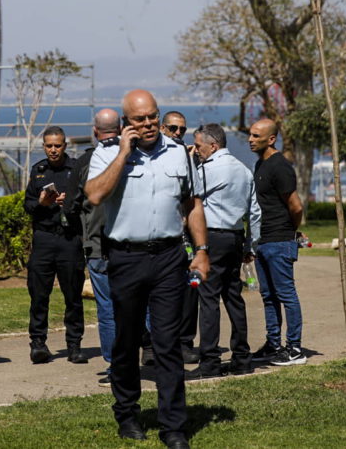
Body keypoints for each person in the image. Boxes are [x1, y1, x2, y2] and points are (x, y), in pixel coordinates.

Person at [86, 89, 209, 449]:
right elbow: (94, 195)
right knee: (126, 340)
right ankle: (127, 413)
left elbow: (192, 203)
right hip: (126, 258)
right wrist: (124, 153)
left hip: (170, 256)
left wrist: (201, 250)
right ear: (126, 123)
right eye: (139, 119)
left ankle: (173, 426)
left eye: (152, 116)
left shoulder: (178, 155)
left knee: (168, 343)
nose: (149, 124)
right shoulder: (107, 153)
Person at [188, 123, 260, 379]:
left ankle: (210, 361)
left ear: (213, 145)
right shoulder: (244, 170)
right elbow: (254, 212)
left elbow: (190, 195)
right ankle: (242, 357)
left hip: (213, 236)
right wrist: (250, 244)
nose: (196, 150)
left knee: (208, 299)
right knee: (233, 297)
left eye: (198, 145)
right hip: (235, 236)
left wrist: (188, 163)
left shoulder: (208, 169)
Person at [64, 108, 121, 384]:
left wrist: (84, 229)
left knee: (107, 307)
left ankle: (114, 364)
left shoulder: (87, 161)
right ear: (120, 129)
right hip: (133, 245)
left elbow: (70, 207)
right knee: (143, 302)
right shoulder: (134, 157)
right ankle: (149, 352)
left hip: (98, 245)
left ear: (95, 132)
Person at [23, 126, 86, 364]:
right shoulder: (38, 171)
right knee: (39, 295)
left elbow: (89, 201)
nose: (53, 150)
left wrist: (68, 202)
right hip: (44, 238)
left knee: (73, 295)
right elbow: (27, 206)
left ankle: (74, 345)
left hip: (69, 238)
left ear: (65, 146)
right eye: (48, 145)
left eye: (57, 145)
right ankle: (38, 344)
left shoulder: (77, 169)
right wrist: (41, 202)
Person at [247, 118, 306, 367]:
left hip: (279, 240)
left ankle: (294, 349)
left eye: (256, 136)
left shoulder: (280, 166)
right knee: (268, 296)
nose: (250, 139)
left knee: (286, 295)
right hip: (263, 240)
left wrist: (290, 231)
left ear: (271, 139)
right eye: (250, 134)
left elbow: (296, 206)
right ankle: (273, 344)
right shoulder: (261, 164)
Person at [161, 110, 200, 366]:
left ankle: (185, 342)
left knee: (189, 291)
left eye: (182, 130)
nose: (177, 134)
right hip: (160, 237)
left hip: (185, 238)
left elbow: (195, 198)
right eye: (173, 129)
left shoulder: (187, 158)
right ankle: (154, 345)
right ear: (163, 128)